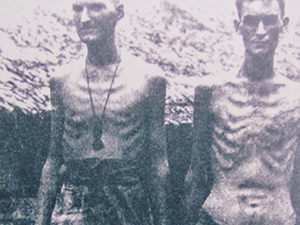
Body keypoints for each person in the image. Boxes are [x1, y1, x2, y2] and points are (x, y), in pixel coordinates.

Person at [35, 0, 169, 224]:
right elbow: (53, 159)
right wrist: (40, 221)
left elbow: (158, 163)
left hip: (128, 206)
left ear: (119, 11)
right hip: (73, 209)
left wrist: (163, 222)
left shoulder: (149, 80)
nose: (85, 18)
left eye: (96, 7)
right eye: (78, 8)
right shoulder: (61, 81)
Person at [185, 0, 300, 224]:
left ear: (283, 25)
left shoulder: (296, 98)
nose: (260, 31)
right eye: (251, 22)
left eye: (269, 21)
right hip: (219, 217)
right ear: (238, 26)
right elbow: (196, 175)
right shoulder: (211, 93)